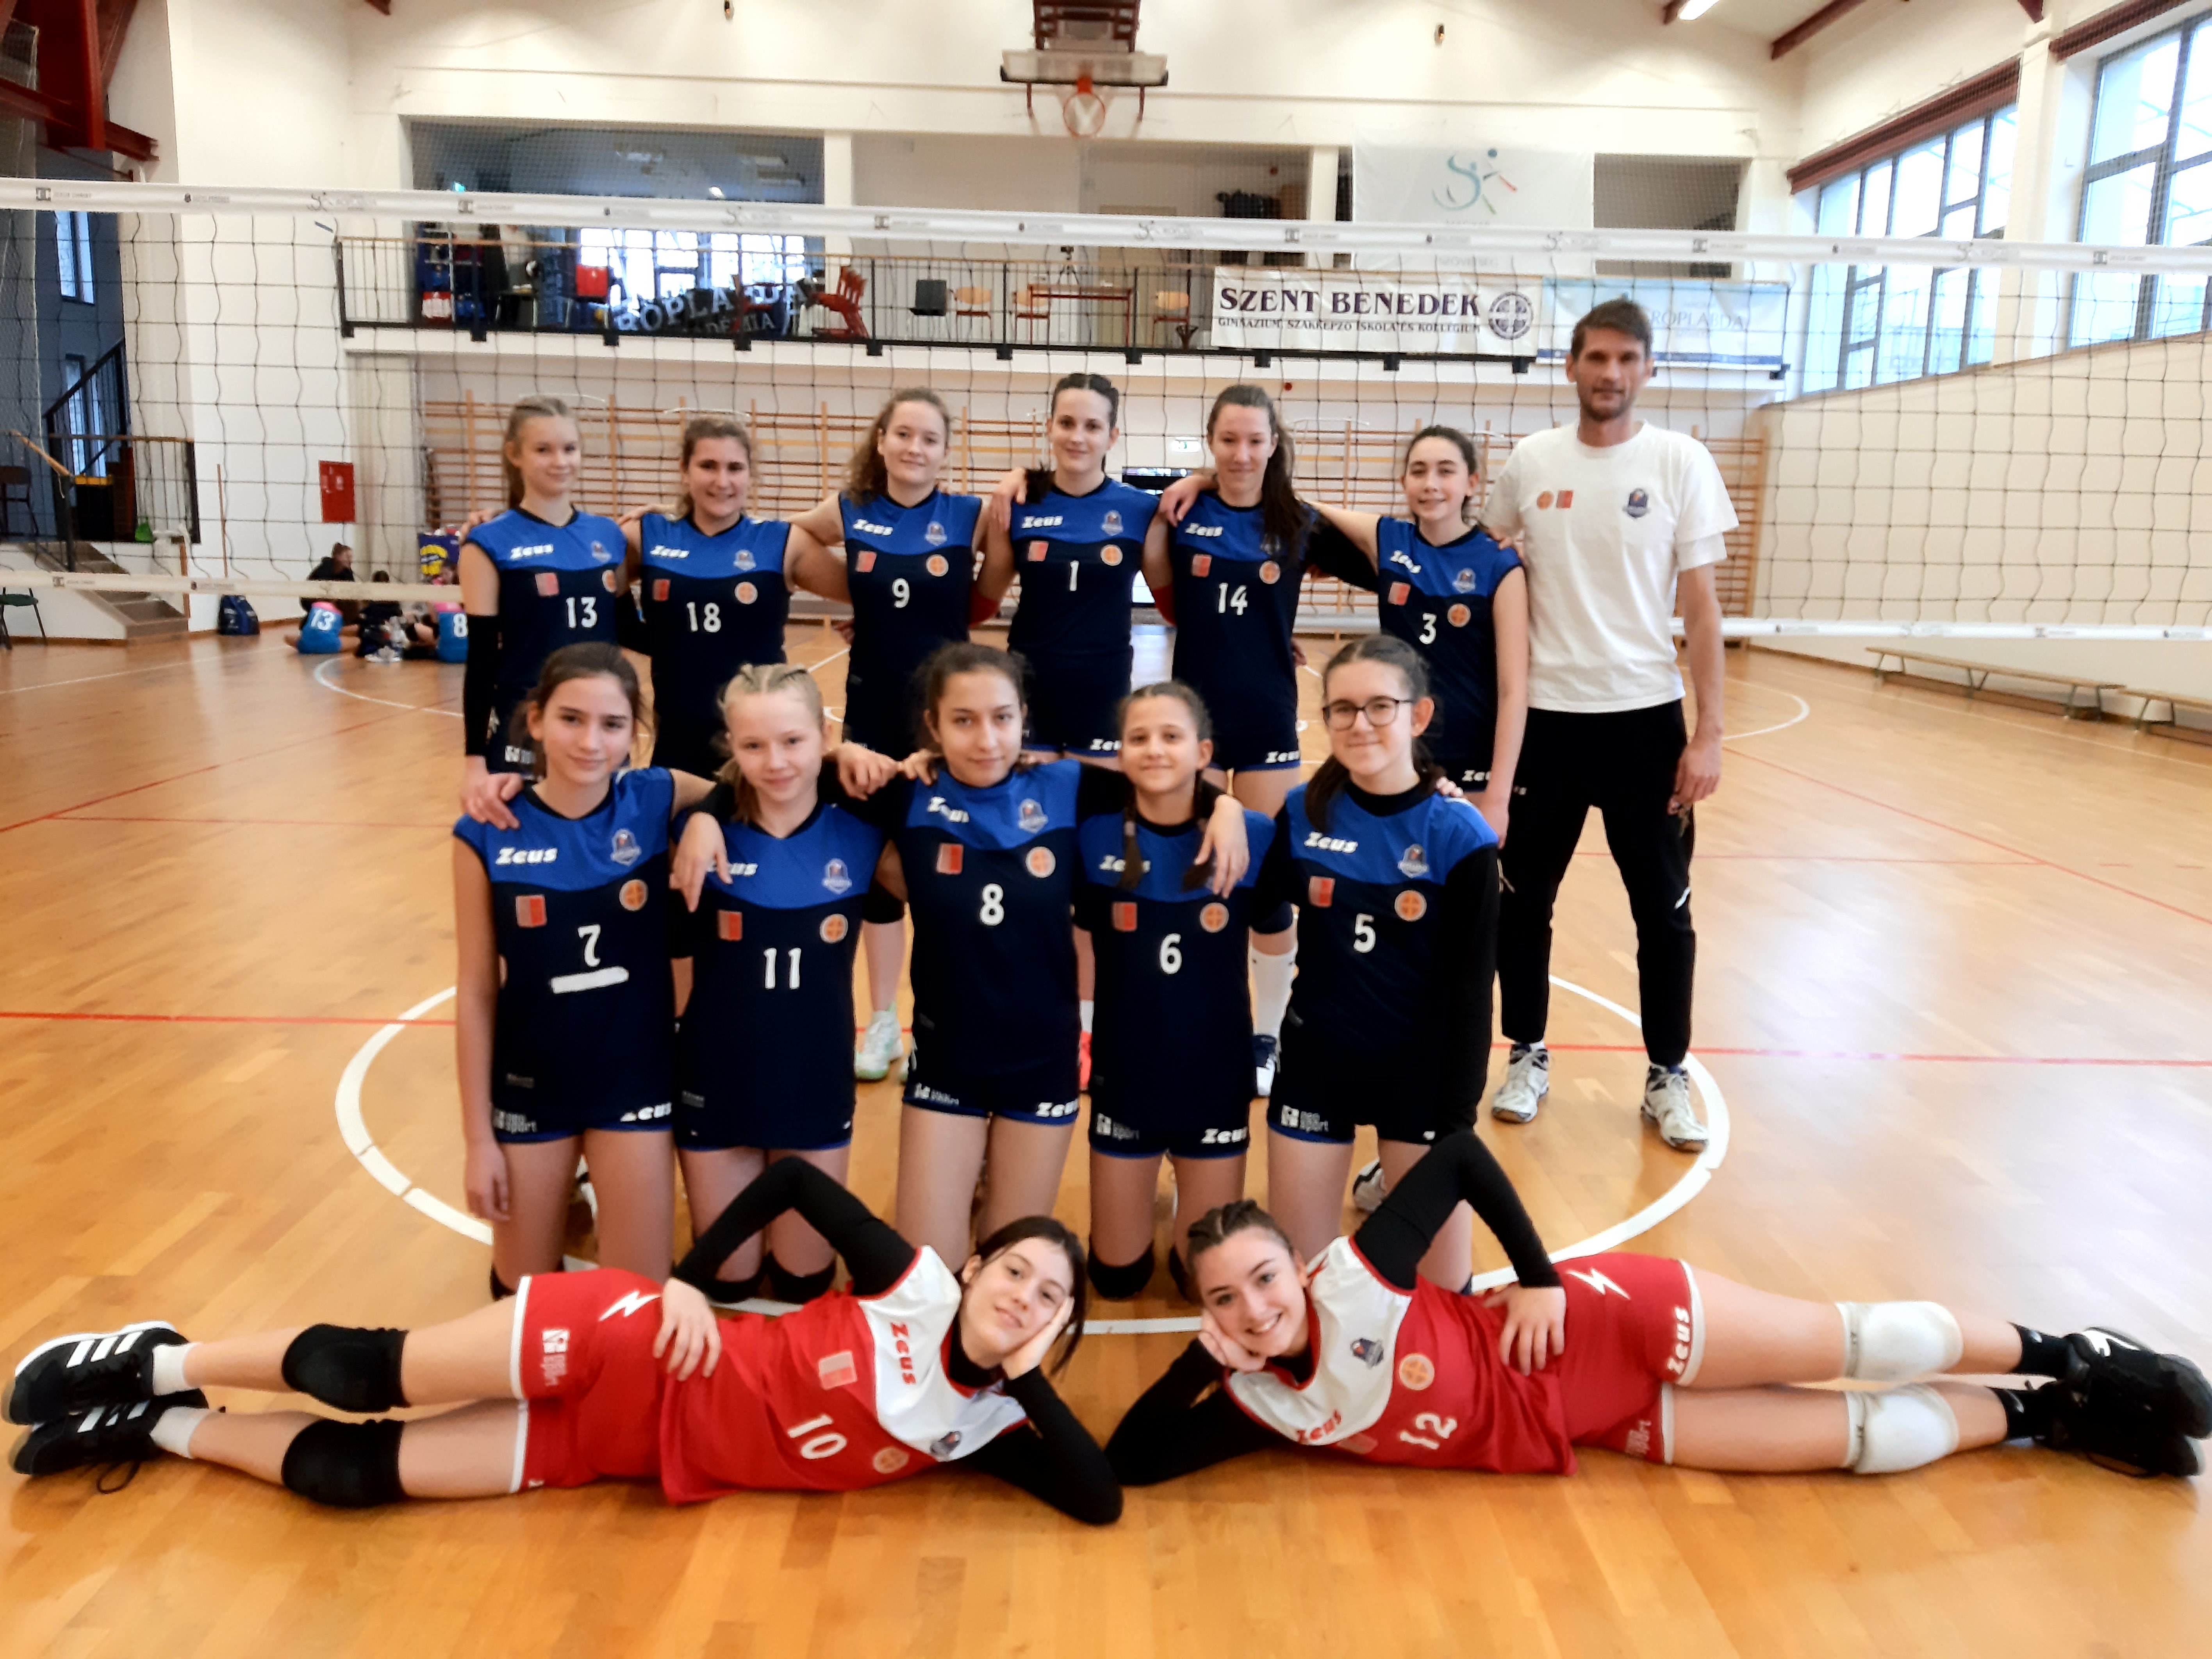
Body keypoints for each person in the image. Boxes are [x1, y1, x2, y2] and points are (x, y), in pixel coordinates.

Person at [7, 1162, 1120, 1524]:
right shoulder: (912, 1288)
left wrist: (1028, 1384)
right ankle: (157, 1358)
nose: (1023, 1296)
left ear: (1059, 1326)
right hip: (622, 1345)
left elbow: (1098, 1497)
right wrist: (688, 1283)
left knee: (353, 1476)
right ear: (973, 1266)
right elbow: (791, 1180)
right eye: (1013, 1269)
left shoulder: (985, 1425)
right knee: (366, 1373)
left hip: (616, 1448)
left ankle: (157, 1429)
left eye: (1050, 1297)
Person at [1103, 1140, 2212, 1485]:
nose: (1255, 1306)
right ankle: (2048, 1418)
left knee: (1875, 1342)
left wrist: (1537, 1273)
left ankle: (2071, 1351)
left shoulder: (1356, 1273)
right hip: (1596, 1422)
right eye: (1226, 1298)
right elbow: (1134, 1466)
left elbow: (1458, 1157)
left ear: (1298, 1268)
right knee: (1873, 1439)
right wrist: (1203, 1363)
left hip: (1604, 1322)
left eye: (1264, 1277)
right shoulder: (1263, 1405)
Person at [674, 642, 1250, 1272]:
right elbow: (787, 766)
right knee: (930, 1274)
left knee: (1006, 1264)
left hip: (1041, 1063)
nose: (986, 740)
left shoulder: (1066, 786)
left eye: (1001, 718)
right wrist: (709, 814)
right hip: (947, 1062)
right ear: (933, 725)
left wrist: (1223, 805)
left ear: (1023, 716)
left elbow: (1162, 779)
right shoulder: (904, 792)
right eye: (963, 721)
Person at [1480, 299, 1733, 1152]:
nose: (1610, 373)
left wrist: (1709, 734)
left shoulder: (1679, 461)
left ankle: (1667, 1073)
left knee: (1663, 913)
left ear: (1648, 369)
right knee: (1523, 906)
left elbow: (1700, 610)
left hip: (1645, 726)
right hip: (1546, 724)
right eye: (1596, 357)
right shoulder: (1530, 461)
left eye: (1627, 358)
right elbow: (1474, 564)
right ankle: (1526, 1053)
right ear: (1571, 365)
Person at [451, 644, 714, 1296]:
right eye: (571, 719)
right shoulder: (486, 829)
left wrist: (707, 820)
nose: (592, 742)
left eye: (612, 724)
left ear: (633, 732)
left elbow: (754, 787)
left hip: (634, 1080)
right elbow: (477, 991)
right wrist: (478, 1140)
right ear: (536, 721)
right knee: (522, 1298)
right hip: (530, 1085)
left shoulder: (653, 797)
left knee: (635, 1301)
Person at [1247, 634, 1498, 1288]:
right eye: (1343, 709)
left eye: (1380, 706)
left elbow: (1473, 991)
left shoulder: (1460, 835)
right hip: (1317, 1063)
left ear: (1418, 715)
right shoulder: (1303, 812)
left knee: (1444, 1297)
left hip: (1418, 1075)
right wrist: (1219, 808)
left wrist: (1458, 1121)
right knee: (1300, 1282)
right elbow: (1255, 905)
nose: (1359, 724)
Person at [783, 390, 1008, 1087]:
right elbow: (789, 542)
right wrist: (862, 596)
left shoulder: (969, 515)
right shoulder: (849, 510)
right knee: (875, 872)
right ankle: (882, 1020)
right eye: (903, 434)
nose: (915, 448)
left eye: (929, 438)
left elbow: (997, 577)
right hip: (872, 722)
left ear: (945, 451)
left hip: (946, 727)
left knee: (948, 875)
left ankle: (947, 1019)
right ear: (881, 440)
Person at [1147, 387, 1361, 1095]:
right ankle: (1200, 1020)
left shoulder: (1299, 523)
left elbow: (1387, 558)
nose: (1241, 454)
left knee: (1266, 886)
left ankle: (1267, 1034)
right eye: (1228, 441)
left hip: (1267, 720)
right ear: (1211, 442)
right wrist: (1196, 482)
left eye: (1254, 440)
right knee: (1196, 877)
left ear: (1274, 444)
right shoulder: (1180, 513)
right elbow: (1161, 595)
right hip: (1195, 727)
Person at [665, 663, 896, 1307]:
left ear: (824, 735)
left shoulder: (863, 834)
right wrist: (708, 812)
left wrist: (855, 759)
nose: (775, 762)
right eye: (753, 745)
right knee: (730, 1280)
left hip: (814, 1082)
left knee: (804, 1283)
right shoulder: (696, 835)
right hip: (717, 1080)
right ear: (731, 748)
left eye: (794, 741)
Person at [1076, 681, 1289, 1302]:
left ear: (1204, 752)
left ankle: (1186, 1180)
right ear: (1119, 753)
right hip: (1126, 1077)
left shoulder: (1251, 836)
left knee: (1201, 1285)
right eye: (1139, 738)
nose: (1155, 749)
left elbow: (1280, 934)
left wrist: (1226, 808)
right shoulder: (1091, 836)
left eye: (1172, 736)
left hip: (1214, 1082)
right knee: (1117, 1280)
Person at [1305, 425, 1528, 833]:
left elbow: (1514, 690)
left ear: (1472, 483)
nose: (1430, 484)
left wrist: (1499, 796)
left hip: (1472, 758)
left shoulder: (1499, 563)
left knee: (1462, 868)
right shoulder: (1388, 540)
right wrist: (1202, 480)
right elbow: (1295, 505)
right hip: (1399, 753)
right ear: (1404, 481)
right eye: (1419, 471)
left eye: (1446, 471)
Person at [627, 415, 841, 778]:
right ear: (684, 471)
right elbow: (595, 592)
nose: (722, 481)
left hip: (764, 740)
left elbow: (872, 591)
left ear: (750, 475)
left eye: (735, 468)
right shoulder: (646, 536)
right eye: (708, 466)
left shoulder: (783, 543)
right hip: (679, 736)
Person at [457, 396, 628, 813]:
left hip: (598, 726)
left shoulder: (609, 536)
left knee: (600, 838)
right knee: (525, 841)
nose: (560, 461)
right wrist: (474, 760)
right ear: (514, 455)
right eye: (544, 450)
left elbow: (627, 628)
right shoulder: (488, 543)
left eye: (570, 448)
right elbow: (481, 660)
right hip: (524, 727)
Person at [980, 373, 1159, 765]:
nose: (1077, 437)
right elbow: (980, 604)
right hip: (1029, 687)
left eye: (1092, 426)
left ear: (1112, 437)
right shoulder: (1019, 503)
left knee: (1094, 806)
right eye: (1066, 423)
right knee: (1032, 805)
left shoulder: (1141, 510)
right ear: (1049, 428)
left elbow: (1182, 603)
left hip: (1103, 692)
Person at [303, 541, 357, 621]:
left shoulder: (347, 572)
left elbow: (352, 589)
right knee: (332, 599)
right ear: (337, 557)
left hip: (334, 601)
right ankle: (315, 620)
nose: (350, 560)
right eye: (347, 557)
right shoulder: (324, 570)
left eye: (351, 557)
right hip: (312, 600)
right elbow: (320, 592)